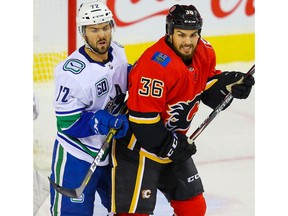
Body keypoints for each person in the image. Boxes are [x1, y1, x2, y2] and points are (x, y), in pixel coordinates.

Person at [111, 4, 255, 216]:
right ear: (169, 32)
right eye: (181, 35)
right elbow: (143, 120)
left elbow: (205, 89)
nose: (188, 41)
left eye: (193, 34)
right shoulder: (155, 66)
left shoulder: (205, 52)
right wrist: (171, 146)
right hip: (138, 149)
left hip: (172, 143)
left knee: (194, 208)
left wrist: (228, 86)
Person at [49, 1, 130, 215]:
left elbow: (124, 82)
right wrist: (103, 121)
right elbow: (66, 123)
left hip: (111, 152)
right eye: (94, 30)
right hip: (77, 156)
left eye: (105, 27)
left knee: (126, 209)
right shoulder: (72, 74)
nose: (101, 34)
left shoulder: (118, 53)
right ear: (83, 33)